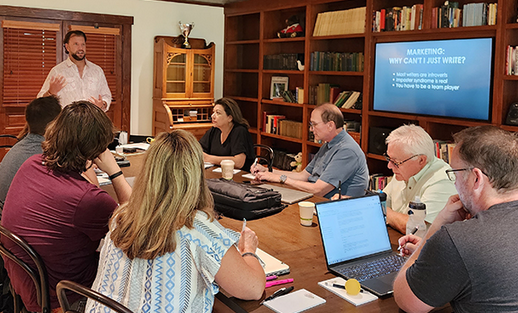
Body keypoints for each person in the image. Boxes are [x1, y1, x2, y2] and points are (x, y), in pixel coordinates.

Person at [85, 130, 265, 312]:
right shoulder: (197, 229)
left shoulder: (121, 216)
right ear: (195, 176)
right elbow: (253, 288)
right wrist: (249, 251)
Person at [1, 101, 131, 312]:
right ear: (97, 150)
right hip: (64, 297)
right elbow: (137, 226)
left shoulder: (31, 164)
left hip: (25, 283)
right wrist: (115, 171)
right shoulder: (89, 200)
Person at [394, 126, 518, 312]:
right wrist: (437, 254)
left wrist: (435, 232)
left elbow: (406, 301)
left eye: (455, 173)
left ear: (476, 178)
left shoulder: (458, 240)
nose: (455, 183)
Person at [252, 103, 369, 198]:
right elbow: (303, 176)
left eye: (314, 124)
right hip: (315, 200)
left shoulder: (347, 151)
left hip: (332, 208)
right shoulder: (328, 144)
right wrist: (267, 171)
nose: (311, 129)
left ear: (330, 125)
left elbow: (318, 190)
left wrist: (281, 179)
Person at [382, 125, 457, 233]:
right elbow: (380, 202)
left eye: (395, 162)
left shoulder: (442, 180)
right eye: (389, 158)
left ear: (421, 160)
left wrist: (385, 213)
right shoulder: (402, 171)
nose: (389, 166)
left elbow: (414, 228)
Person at [0, 96, 61, 212]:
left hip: (5, 223)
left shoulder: (17, 148)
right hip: (17, 223)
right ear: (55, 126)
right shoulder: (45, 157)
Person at [37, 30, 112, 111]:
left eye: (83, 44)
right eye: (76, 44)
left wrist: (103, 104)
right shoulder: (57, 71)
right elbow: (40, 101)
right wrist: (50, 93)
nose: (80, 48)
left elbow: (106, 96)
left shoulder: (97, 71)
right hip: (67, 122)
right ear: (67, 47)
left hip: (92, 121)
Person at [199, 97, 255, 172]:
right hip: (218, 174)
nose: (213, 116)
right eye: (213, 112)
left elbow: (239, 162)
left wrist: (209, 158)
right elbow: (198, 149)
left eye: (218, 113)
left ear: (230, 118)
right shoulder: (215, 130)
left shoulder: (239, 131)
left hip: (240, 177)